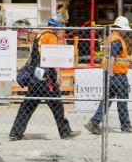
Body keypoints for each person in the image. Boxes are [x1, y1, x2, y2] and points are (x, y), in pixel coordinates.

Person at [8, 13, 79, 141]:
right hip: (47, 78)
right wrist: (58, 73)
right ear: (56, 27)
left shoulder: (40, 34)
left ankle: (16, 132)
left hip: (36, 77)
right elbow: (52, 57)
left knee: (28, 105)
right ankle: (65, 132)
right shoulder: (50, 36)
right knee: (57, 105)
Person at [85, 16, 132, 134]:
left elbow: (118, 56)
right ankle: (126, 126)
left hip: (111, 74)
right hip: (117, 75)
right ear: (120, 28)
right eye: (125, 29)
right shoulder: (117, 40)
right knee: (122, 100)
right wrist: (111, 73)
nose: (126, 31)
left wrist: (130, 59)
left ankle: (94, 122)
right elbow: (112, 57)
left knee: (107, 100)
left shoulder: (111, 38)